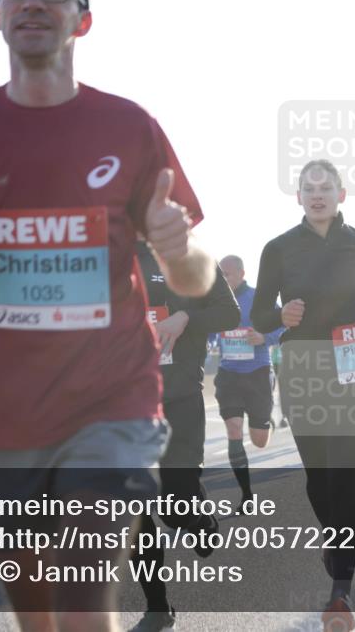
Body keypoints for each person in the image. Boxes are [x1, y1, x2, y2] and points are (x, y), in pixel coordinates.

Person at [0, 0, 215, 630]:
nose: (34, 0)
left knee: (84, 596)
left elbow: (197, 280)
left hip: (110, 400)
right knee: (38, 614)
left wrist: (179, 250)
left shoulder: (130, 126)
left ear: (82, 18)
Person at [251, 159, 355, 631]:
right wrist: (280, 315)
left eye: (325, 187)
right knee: (318, 477)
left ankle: (341, 592)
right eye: (308, 188)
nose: (317, 194)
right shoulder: (278, 248)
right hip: (302, 367)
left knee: (343, 476)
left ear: (341, 195)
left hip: (353, 366)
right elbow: (259, 316)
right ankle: (334, 539)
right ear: (298, 197)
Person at [131, 240, 239, 631]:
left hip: (178, 398)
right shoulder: (100, 258)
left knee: (176, 504)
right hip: (120, 402)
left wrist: (185, 317)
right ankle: (157, 608)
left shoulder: (191, 259)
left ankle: (199, 521)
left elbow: (230, 311)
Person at [214, 254, 284, 511]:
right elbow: (208, 333)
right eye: (219, 274)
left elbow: (284, 326)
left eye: (228, 274)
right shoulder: (215, 300)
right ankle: (246, 496)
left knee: (259, 440)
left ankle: (268, 422)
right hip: (229, 374)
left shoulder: (259, 298)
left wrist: (264, 337)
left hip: (257, 372)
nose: (223, 278)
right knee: (233, 430)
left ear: (242, 274)